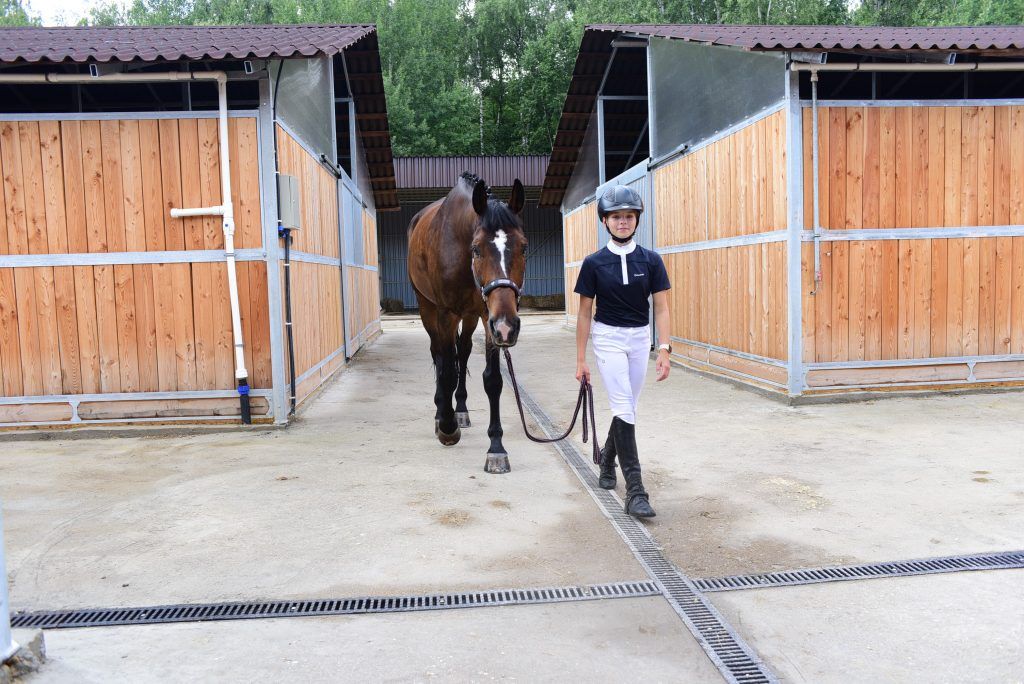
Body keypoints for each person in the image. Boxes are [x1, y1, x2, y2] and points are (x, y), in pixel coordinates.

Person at [574, 185, 672, 518]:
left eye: (629, 216)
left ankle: (606, 463)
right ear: (605, 221)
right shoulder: (594, 263)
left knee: (627, 406)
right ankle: (636, 491)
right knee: (623, 405)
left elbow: (661, 308)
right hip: (608, 337)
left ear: (636, 220)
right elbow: (585, 312)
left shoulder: (652, 260)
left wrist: (665, 349)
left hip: (639, 338)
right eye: (616, 217)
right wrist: (580, 359)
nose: (623, 222)